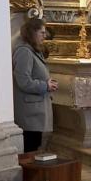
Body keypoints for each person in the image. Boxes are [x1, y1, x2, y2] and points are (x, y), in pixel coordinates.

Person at [13, 18, 58, 153]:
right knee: (30, 148)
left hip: (35, 112)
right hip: (29, 114)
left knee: (34, 146)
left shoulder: (33, 51)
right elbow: (24, 81)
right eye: (42, 33)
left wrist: (48, 83)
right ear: (32, 33)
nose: (45, 36)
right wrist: (45, 85)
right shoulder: (24, 52)